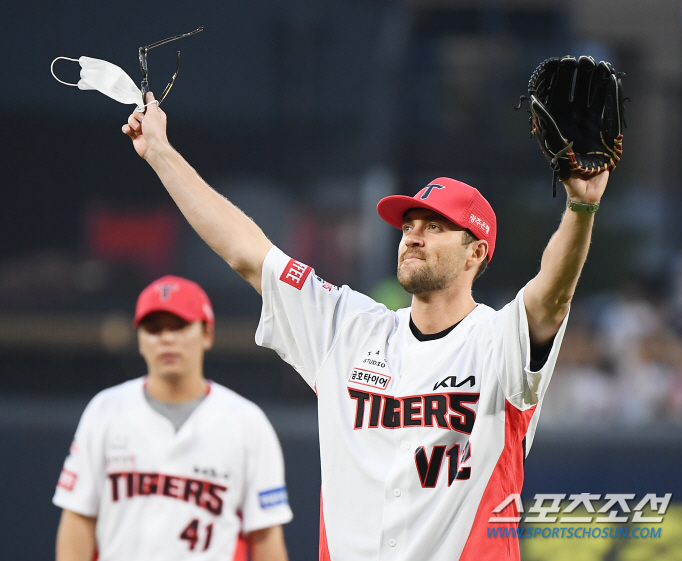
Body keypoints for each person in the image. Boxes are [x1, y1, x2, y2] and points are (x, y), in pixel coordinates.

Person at [121, 92, 609, 560]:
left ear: (475, 252)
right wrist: (161, 154)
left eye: (435, 227)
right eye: (408, 225)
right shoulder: (348, 328)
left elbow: (553, 295)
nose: (413, 236)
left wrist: (580, 207)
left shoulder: (498, 342)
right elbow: (247, 252)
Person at [53, 275, 293, 561]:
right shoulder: (105, 410)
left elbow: (265, 535)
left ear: (207, 334)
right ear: (140, 340)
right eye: (153, 329)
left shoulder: (247, 422)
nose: (166, 338)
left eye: (179, 326)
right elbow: (78, 517)